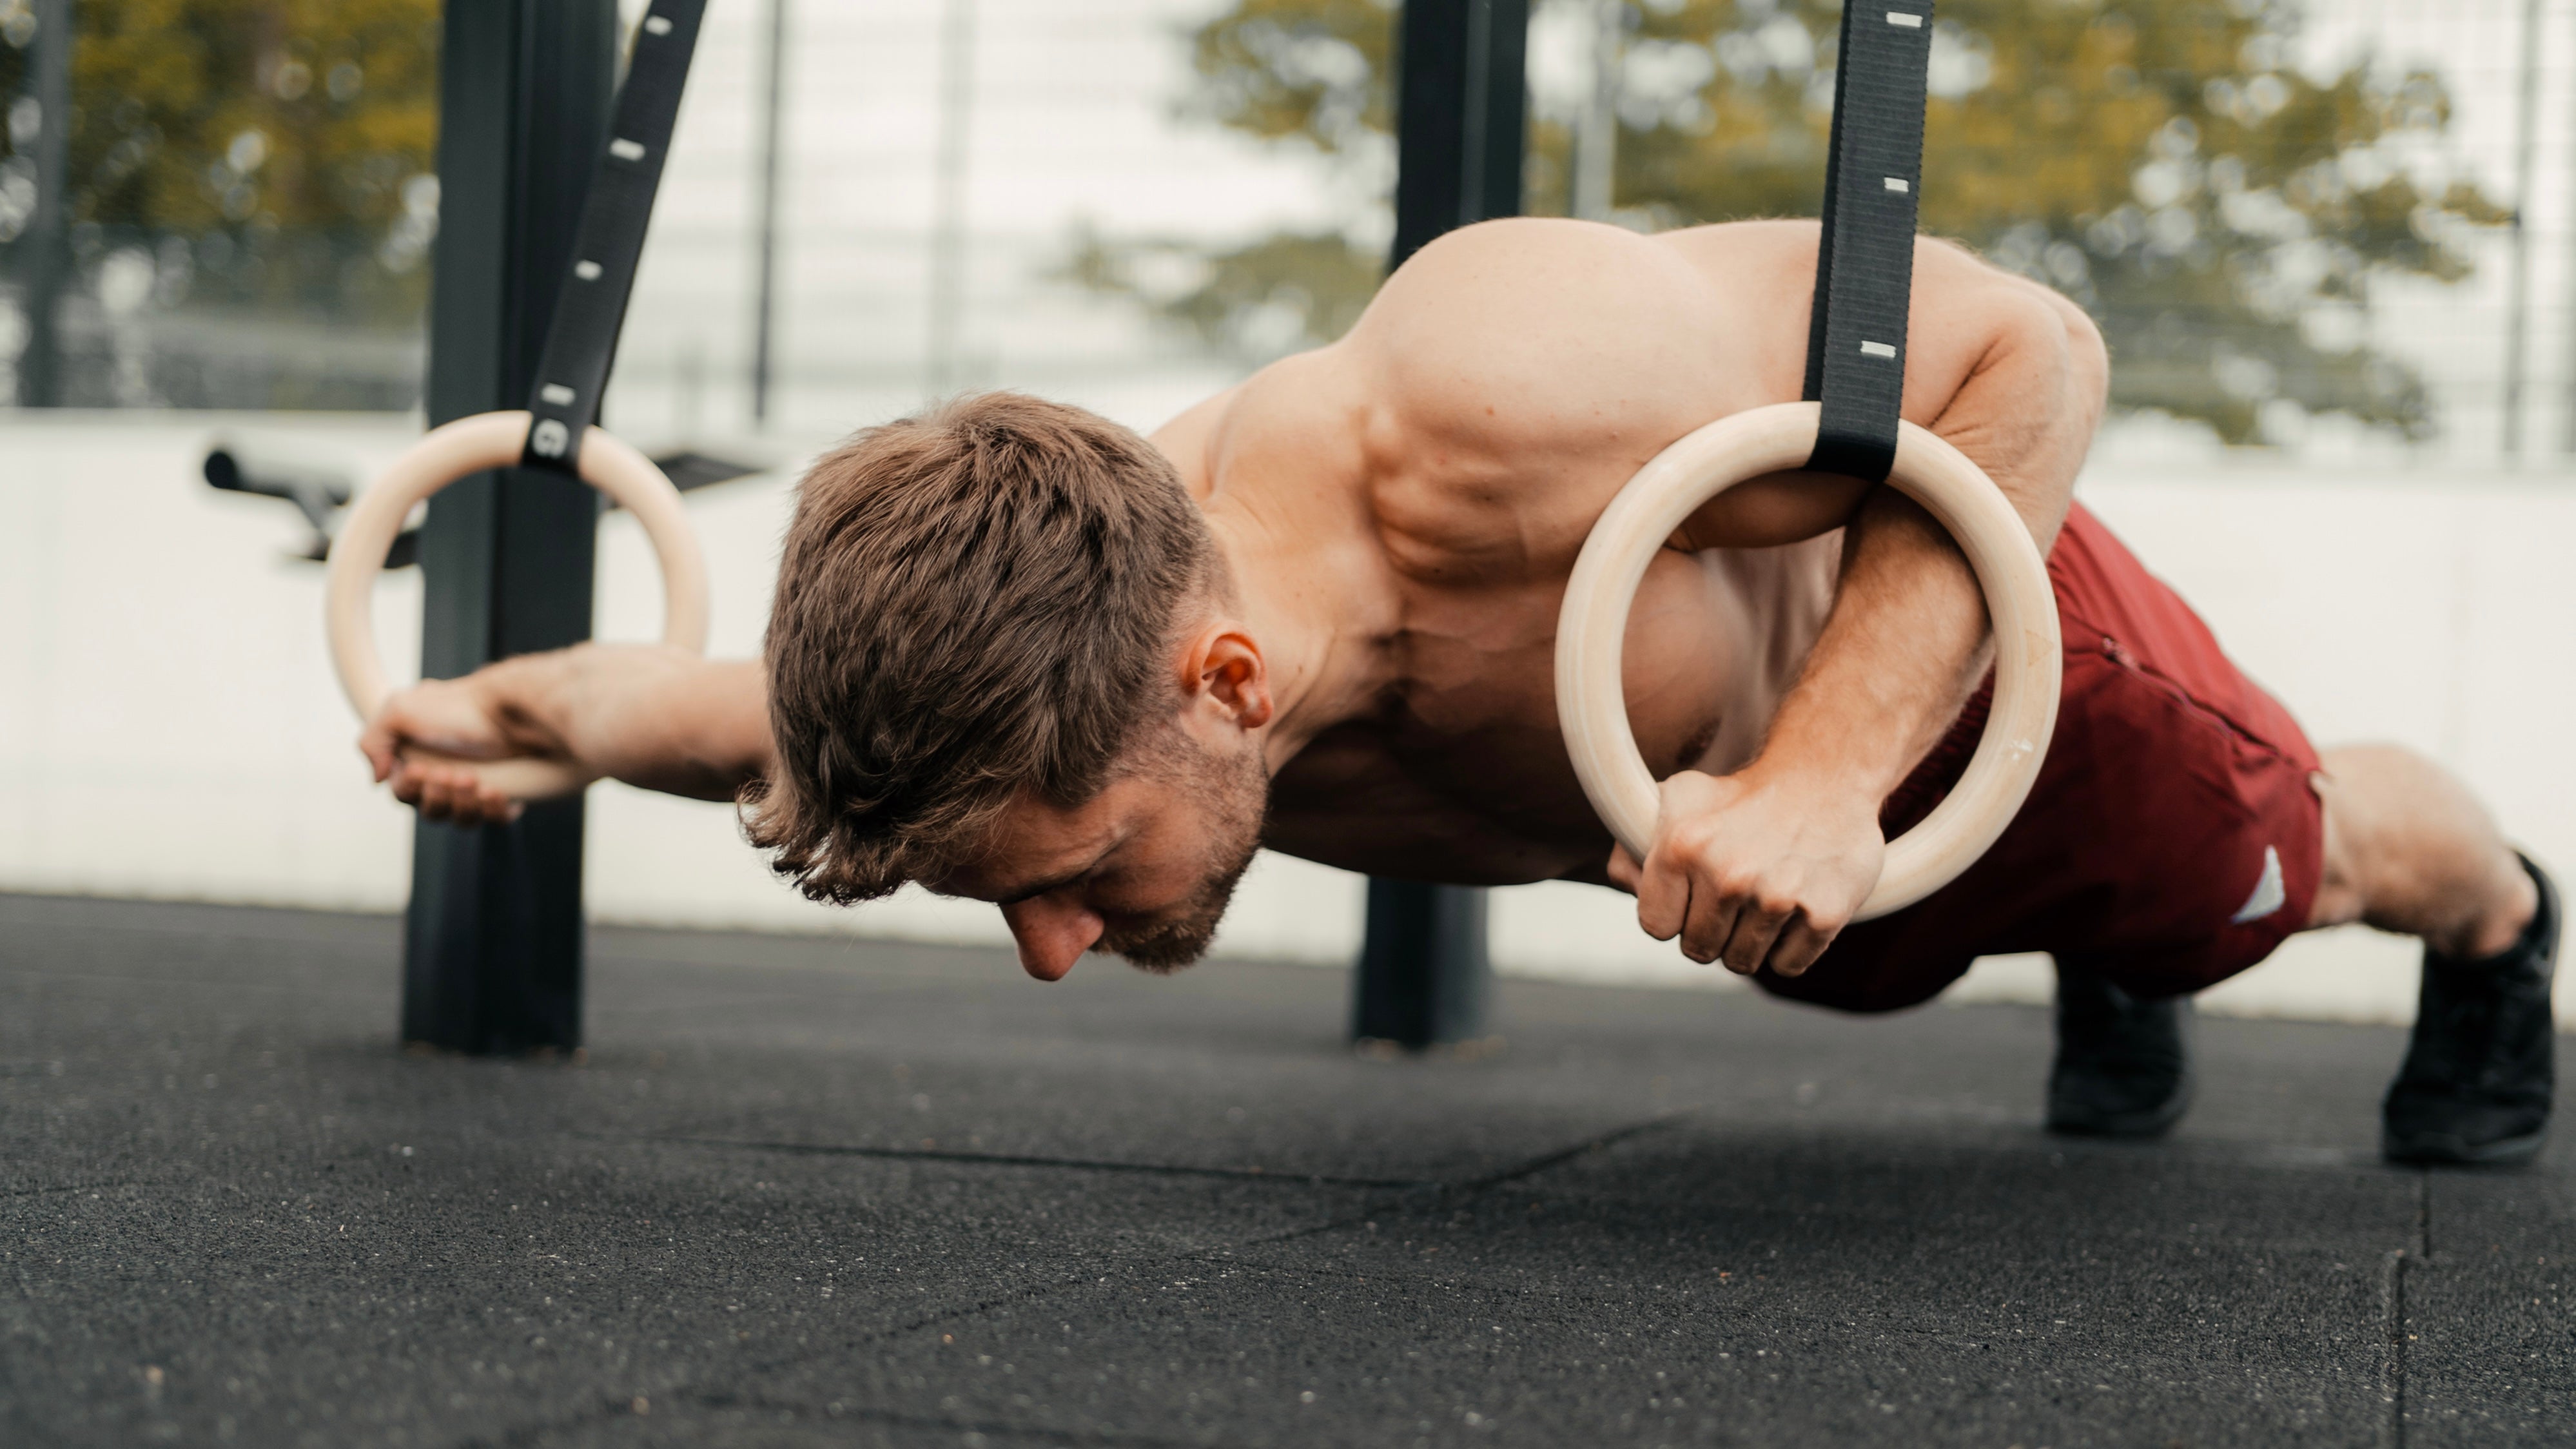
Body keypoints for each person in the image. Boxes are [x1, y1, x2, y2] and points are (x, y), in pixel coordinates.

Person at [362, 219, 2557, 1165]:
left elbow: (2028, 350)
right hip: (1778, 879)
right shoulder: (1072, 679)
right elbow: (766, 727)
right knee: (1904, 955)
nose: (1053, 953)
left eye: (1066, 881)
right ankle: (2076, 963)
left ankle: (2506, 929)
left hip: (1982, 702)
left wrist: (1822, 772)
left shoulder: (1497, 389)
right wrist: (516, 711)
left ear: (1222, 678)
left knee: (2294, 869)